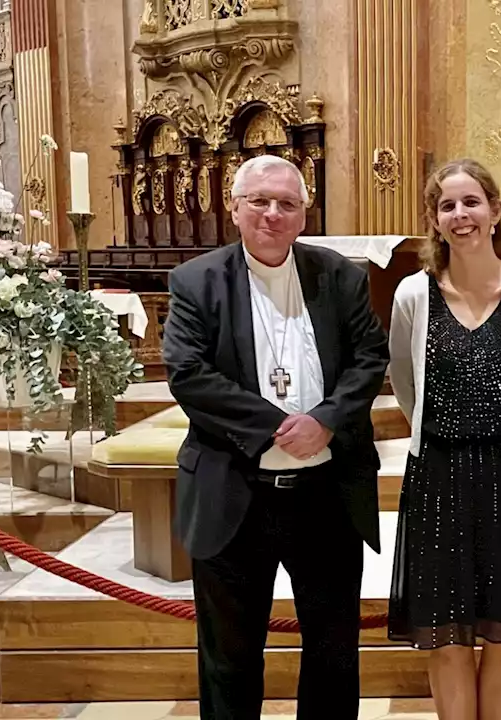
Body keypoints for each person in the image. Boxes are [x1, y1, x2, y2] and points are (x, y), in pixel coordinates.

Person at [163, 154, 388, 720]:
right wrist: (275, 427)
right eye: (259, 201)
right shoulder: (197, 281)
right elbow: (188, 373)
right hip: (235, 490)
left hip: (326, 494)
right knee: (230, 656)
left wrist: (327, 420)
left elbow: (369, 358)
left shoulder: (339, 276)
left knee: (334, 648)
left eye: (286, 203)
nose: (272, 214)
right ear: (233, 208)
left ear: (303, 215)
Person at [386, 158, 501, 720]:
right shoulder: (413, 296)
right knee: (444, 636)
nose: (460, 214)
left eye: (471, 202)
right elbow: (404, 383)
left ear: (494, 210)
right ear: (434, 221)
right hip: (438, 474)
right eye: (447, 205)